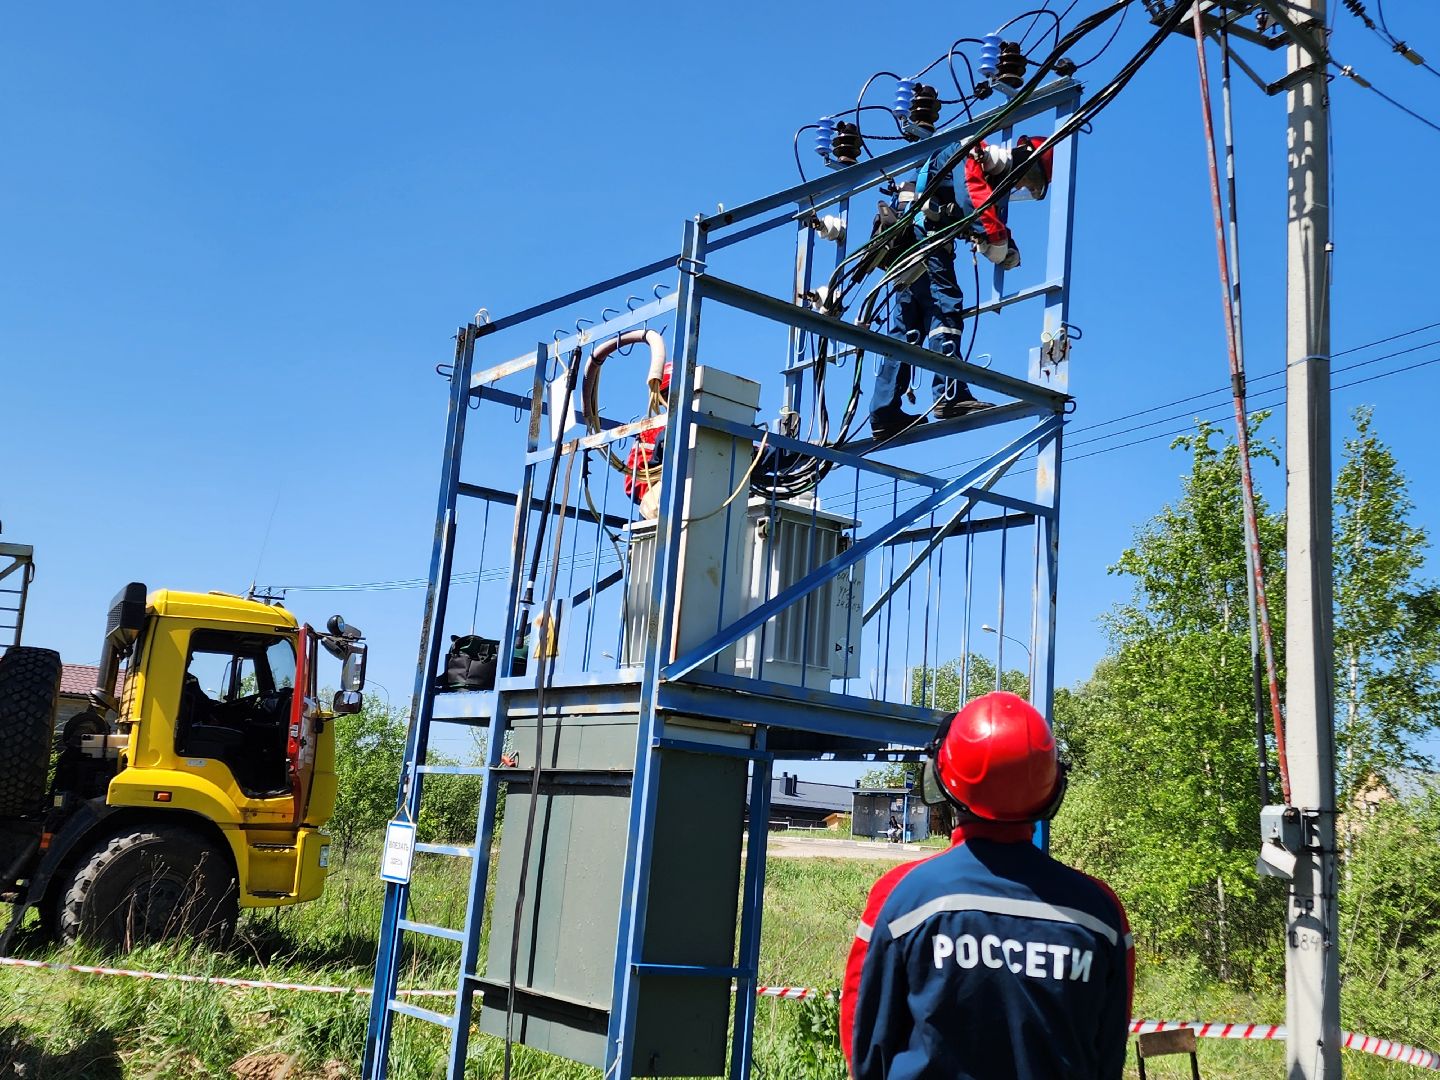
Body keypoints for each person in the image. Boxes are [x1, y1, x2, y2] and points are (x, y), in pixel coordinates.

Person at [840, 691, 1132, 1079]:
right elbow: (1107, 1054)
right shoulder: (1099, 913)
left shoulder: (901, 897)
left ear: (944, 779)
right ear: (1050, 786)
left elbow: (863, 1039)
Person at [869, 135, 1053, 442]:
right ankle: (950, 395)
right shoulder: (972, 150)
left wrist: (1002, 239)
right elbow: (973, 195)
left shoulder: (964, 162)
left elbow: (965, 208)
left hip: (908, 243)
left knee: (907, 328)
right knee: (945, 308)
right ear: (1023, 159)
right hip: (925, 241)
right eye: (1029, 178)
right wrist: (997, 240)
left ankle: (884, 412)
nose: (1021, 186)